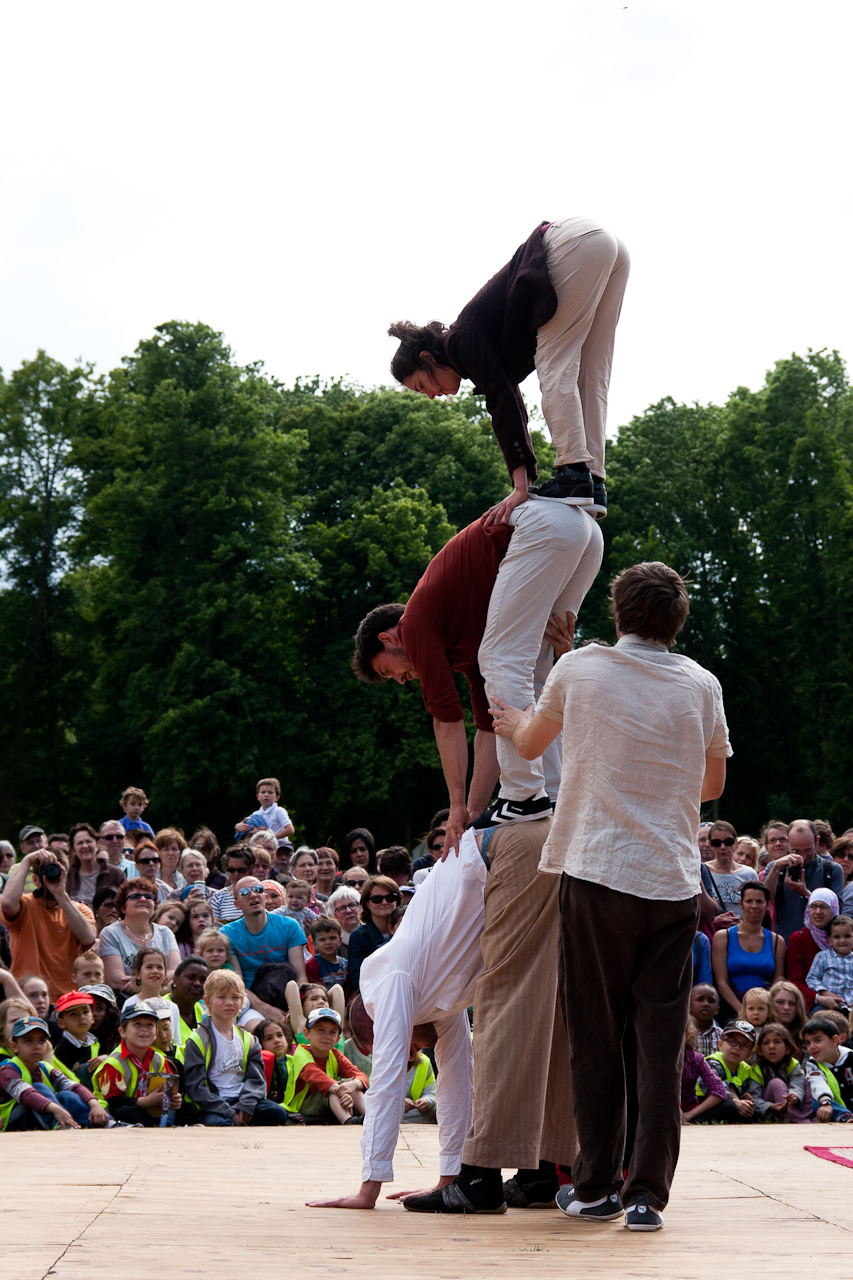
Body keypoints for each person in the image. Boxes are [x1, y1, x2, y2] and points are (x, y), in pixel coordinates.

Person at [489, 560, 730, 1230]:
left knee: (595, 1037)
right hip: (671, 884)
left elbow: (532, 743)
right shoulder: (702, 684)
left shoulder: (578, 670)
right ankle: (647, 1195)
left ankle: (594, 1188)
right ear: (676, 620)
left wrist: (513, 719)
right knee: (658, 1046)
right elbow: (712, 786)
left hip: (596, 875)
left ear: (618, 611)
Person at [353, 500, 603, 845]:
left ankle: (525, 793)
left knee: (501, 658)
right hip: (586, 533)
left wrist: (455, 804)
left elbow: (447, 718)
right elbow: (489, 723)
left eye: (387, 670)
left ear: (388, 638)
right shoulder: (458, 644)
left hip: (546, 528)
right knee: (534, 671)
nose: (399, 679)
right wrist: (473, 812)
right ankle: (553, 793)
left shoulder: (414, 623)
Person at [388, 218, 629, 519]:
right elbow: (510, 400)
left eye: (422, 386)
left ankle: (574, 475)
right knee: (591, 374)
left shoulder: (462, 339)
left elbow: (501, 402)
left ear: (428, 357)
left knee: (555, 367)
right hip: (608, 248)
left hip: (571, 245)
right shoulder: (471, 344)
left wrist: (520, 489)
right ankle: (592, 480)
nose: (431, 396)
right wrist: (524, 480)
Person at [399, 820, 576, 1217]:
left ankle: (481, 1178)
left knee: (505, 1011)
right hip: (566, 827)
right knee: (554, 1006)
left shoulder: (394, 980)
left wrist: (464, 814)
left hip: (515, 829)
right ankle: (543, 1172)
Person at [183, 968, 289, 1126]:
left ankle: (241, 1121)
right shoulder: (197, 1040)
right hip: (214, 1105)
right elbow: (196, 1087)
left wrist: (247, 1105)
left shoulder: (249, 1040)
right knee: (217, 1123)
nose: (229, 1003)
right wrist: (229, 1113)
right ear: (207, 1001)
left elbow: (256, 1080)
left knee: (277, 1113)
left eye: (235, 997)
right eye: (221, 997)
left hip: (242, 1100)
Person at [1, 846, 97, 1000]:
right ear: (36, 880)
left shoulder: (79, 909)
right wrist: (27, 860)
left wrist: (61, 895)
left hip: (67, 999)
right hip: (27, 998)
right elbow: (6, 903)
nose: (55, 877)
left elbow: (88, 938)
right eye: (50, 872)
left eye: (59, 873)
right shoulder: (24, 905)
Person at [220, 877, 307, 1021]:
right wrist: (264, 1008)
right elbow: (237, 984)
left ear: (265, 898)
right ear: (237, 904)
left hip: (288, 995)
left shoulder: (289, 926)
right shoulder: (227, 934)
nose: (253, 895)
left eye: (258, 890)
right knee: (259, 1027)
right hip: (251, 1002)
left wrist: (296, 1008)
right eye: (245, 893)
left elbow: (301, 977)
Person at [0, 1015, 107, 1130]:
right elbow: (26, 1094)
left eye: (41, 1041)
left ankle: (104, 1122)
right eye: (28, 1041)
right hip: (12, 1121)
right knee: (39, 1088)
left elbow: (72, 1086)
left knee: (66, 1095)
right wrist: (56, 1109)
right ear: (14, 1046)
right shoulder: (8, 1069)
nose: (36, 1047)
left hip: (38, 1114)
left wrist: (94, 1104)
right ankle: (61, 1125)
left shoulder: (45, 1067)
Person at [93, 1001, 183, 1126]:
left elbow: (167, 1091)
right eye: (137, 1025)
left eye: (149, 1025)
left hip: (151, 1109)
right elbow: (113, 1102)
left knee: (190, 1110)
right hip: (115, 1112)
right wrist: (145, 1101)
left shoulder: (160, 1060)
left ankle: (154, 1124)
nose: (144, 1029)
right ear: (122, 1032)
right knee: (125, 1112)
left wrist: (174, 1100)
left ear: (156, 1034)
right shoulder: (113, 1063)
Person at [761, 818, 844, 943]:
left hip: (820, 945)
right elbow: (764, 900)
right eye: (796, 851)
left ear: (817, 841)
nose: (803, 857)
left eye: (808, 850)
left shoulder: (831, 870)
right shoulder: (776, 867)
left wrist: (805, 894)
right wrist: (777, 867)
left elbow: (837, 911)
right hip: (784, 943)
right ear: (788, 842)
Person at [711, 883, 784, 1017]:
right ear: (741, 904)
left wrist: (762, 1011)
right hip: (730, 1009)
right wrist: (743, 1012)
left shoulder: (777, 941)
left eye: (759, 901)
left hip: (764, 1011)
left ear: (768, 905)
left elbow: (777, 984)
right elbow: (721, 982)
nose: (754, 906)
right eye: (749, 901)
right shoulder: (723, 937)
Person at [284, 1006, 367, 1124]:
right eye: (320, 1030)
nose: (327, 1036)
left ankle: (370, 1117)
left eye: (332, 1032)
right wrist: (342, 1091)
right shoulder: (301, 1053)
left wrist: (353, 1085)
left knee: (352, 1086)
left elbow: (360, 1075)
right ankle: (348, 1121)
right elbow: (316, 1076)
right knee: (333, 1090)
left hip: (328, 1099)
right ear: (307, 1034)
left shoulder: (335, 1054)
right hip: (303, 1105)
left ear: (337, 1039)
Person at [97, 878, 180, 994]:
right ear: (123, 908)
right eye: (135, 896)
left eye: (149, 897)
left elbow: (177, 973)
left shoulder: (166, 933)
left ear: (154, 907)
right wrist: (163, 987)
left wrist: (140, 985)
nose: (143, 899)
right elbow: (116, 980)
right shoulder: (110, 933)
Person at [692, 1021, 759, 1125]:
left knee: (751, 1109)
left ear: (749, 1054)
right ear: (720, 1045)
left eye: (744, 1045)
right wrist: (735, 1100)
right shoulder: (711, 1062)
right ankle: (694, 1120)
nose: (737, 1047)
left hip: (727, 1103)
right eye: (732, 1041)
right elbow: (716, 1089)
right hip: (702, 1103)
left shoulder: (746, 1069)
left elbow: (745, 1090)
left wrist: (746, 1098)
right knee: (730, 1106)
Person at [786, 887, 839, 1012]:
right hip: (812, 1005)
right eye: (813, 906)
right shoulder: (800, 938)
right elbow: (795, 982)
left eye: (824, 907)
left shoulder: (844, 937)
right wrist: (819, 998)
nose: (817, 912)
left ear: (834, 909)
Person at [347, 876, 401, 996]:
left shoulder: (407, 930)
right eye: (377, 899)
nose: (384, 902)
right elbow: (358, 982)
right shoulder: (359, 936)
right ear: (367, 903)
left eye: (390, 898)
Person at [751, 1023, 812, 1123]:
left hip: (793, 1105)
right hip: (772, 1110)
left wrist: (795, 1095)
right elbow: (754, 1098)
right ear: (759, 1050)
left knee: (807, 1081)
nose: (771, 1047)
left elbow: (797, 1084)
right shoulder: (756, 1069)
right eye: (766, 1043)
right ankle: (797, 1119)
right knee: (775, 1083)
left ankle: (807, 1115)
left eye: (777, 1042)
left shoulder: (793, 1064)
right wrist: (771, 1106)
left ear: (787, 1049)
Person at [702, 821, 758, 919]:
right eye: (717, 843)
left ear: (735, 843)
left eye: (728, 842)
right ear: (710, 845)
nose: (723, 847)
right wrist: (714, 922)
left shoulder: (749, 874)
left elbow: (756, 906)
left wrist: (742, 924)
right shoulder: (702, 871)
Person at [802, 1016, 853, 1121]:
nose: (811, 1046)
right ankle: (845, 1116)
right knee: (817, 1101)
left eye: (817, 1040)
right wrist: (825, 1102)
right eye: (808, 1043)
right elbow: (818, 1083)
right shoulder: (813, 1064)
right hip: (834, 1107)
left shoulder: (850, 1056)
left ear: (834, 1040)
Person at [65, 823, 125, 907]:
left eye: (88, 841)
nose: (85, 846)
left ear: (97, 845)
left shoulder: (116, 874)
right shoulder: (67, 876)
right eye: (80, 843)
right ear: (73, 850)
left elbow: (124, 904)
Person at [679, 1021, 727, 1124]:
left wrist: (689, 1114)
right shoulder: (657, 1060)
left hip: (690, 1108)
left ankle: (688, 1119)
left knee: (729, 1107)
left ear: (688, 1035)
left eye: (678, 1034)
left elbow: (719, 1091)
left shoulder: (697, 1059)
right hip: (664, 1107)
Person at [806, 914, 853, 1010]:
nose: (842, 941)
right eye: (837, 937)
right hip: (827, 1003)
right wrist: (824, 992)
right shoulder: (822, 957)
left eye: (847, 936)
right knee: (817, 1014)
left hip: (850, 1004)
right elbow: (812, 978)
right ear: (830, 940)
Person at [51, 989, 99, 1077]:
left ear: (92, 1018)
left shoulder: (96, 1043)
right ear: (61, 1023)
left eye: (85, 1012)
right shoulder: (61, 1052)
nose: (81, 1017)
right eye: (73, 1014)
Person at [209, 847, 255, 924]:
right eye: (231, 870)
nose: (236, 874)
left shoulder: (258, 893)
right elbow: (215, 925)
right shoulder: (218, 897)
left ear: (251, 868)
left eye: (241, 870)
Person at [305, 917, 348, 993]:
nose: (328, 942)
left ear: (340, 941)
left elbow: (350, 991)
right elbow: (315, 991)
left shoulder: (346, 964)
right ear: (314, 944)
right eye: (322, 939)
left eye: (332, 938)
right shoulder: (312, 965)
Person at [768, 980, 808, 1050]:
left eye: (792, 1003)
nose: (786, 1007)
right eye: (780, 1002)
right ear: (770, 1004)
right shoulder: (759, 1032)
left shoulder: (807, 1034)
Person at [325, 887, 361, 955]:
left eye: (352, 905)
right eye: (342, 908)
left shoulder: (372, 932)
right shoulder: (333, 942)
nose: (348, 911)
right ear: (334, 914)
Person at [689, 983, 722, 1055]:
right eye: (700, 999)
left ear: (717, 1010)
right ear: (689, 1006)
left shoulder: (722, 1035)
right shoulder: (684, 1033)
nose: (706, 1004)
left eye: (711, 1001)